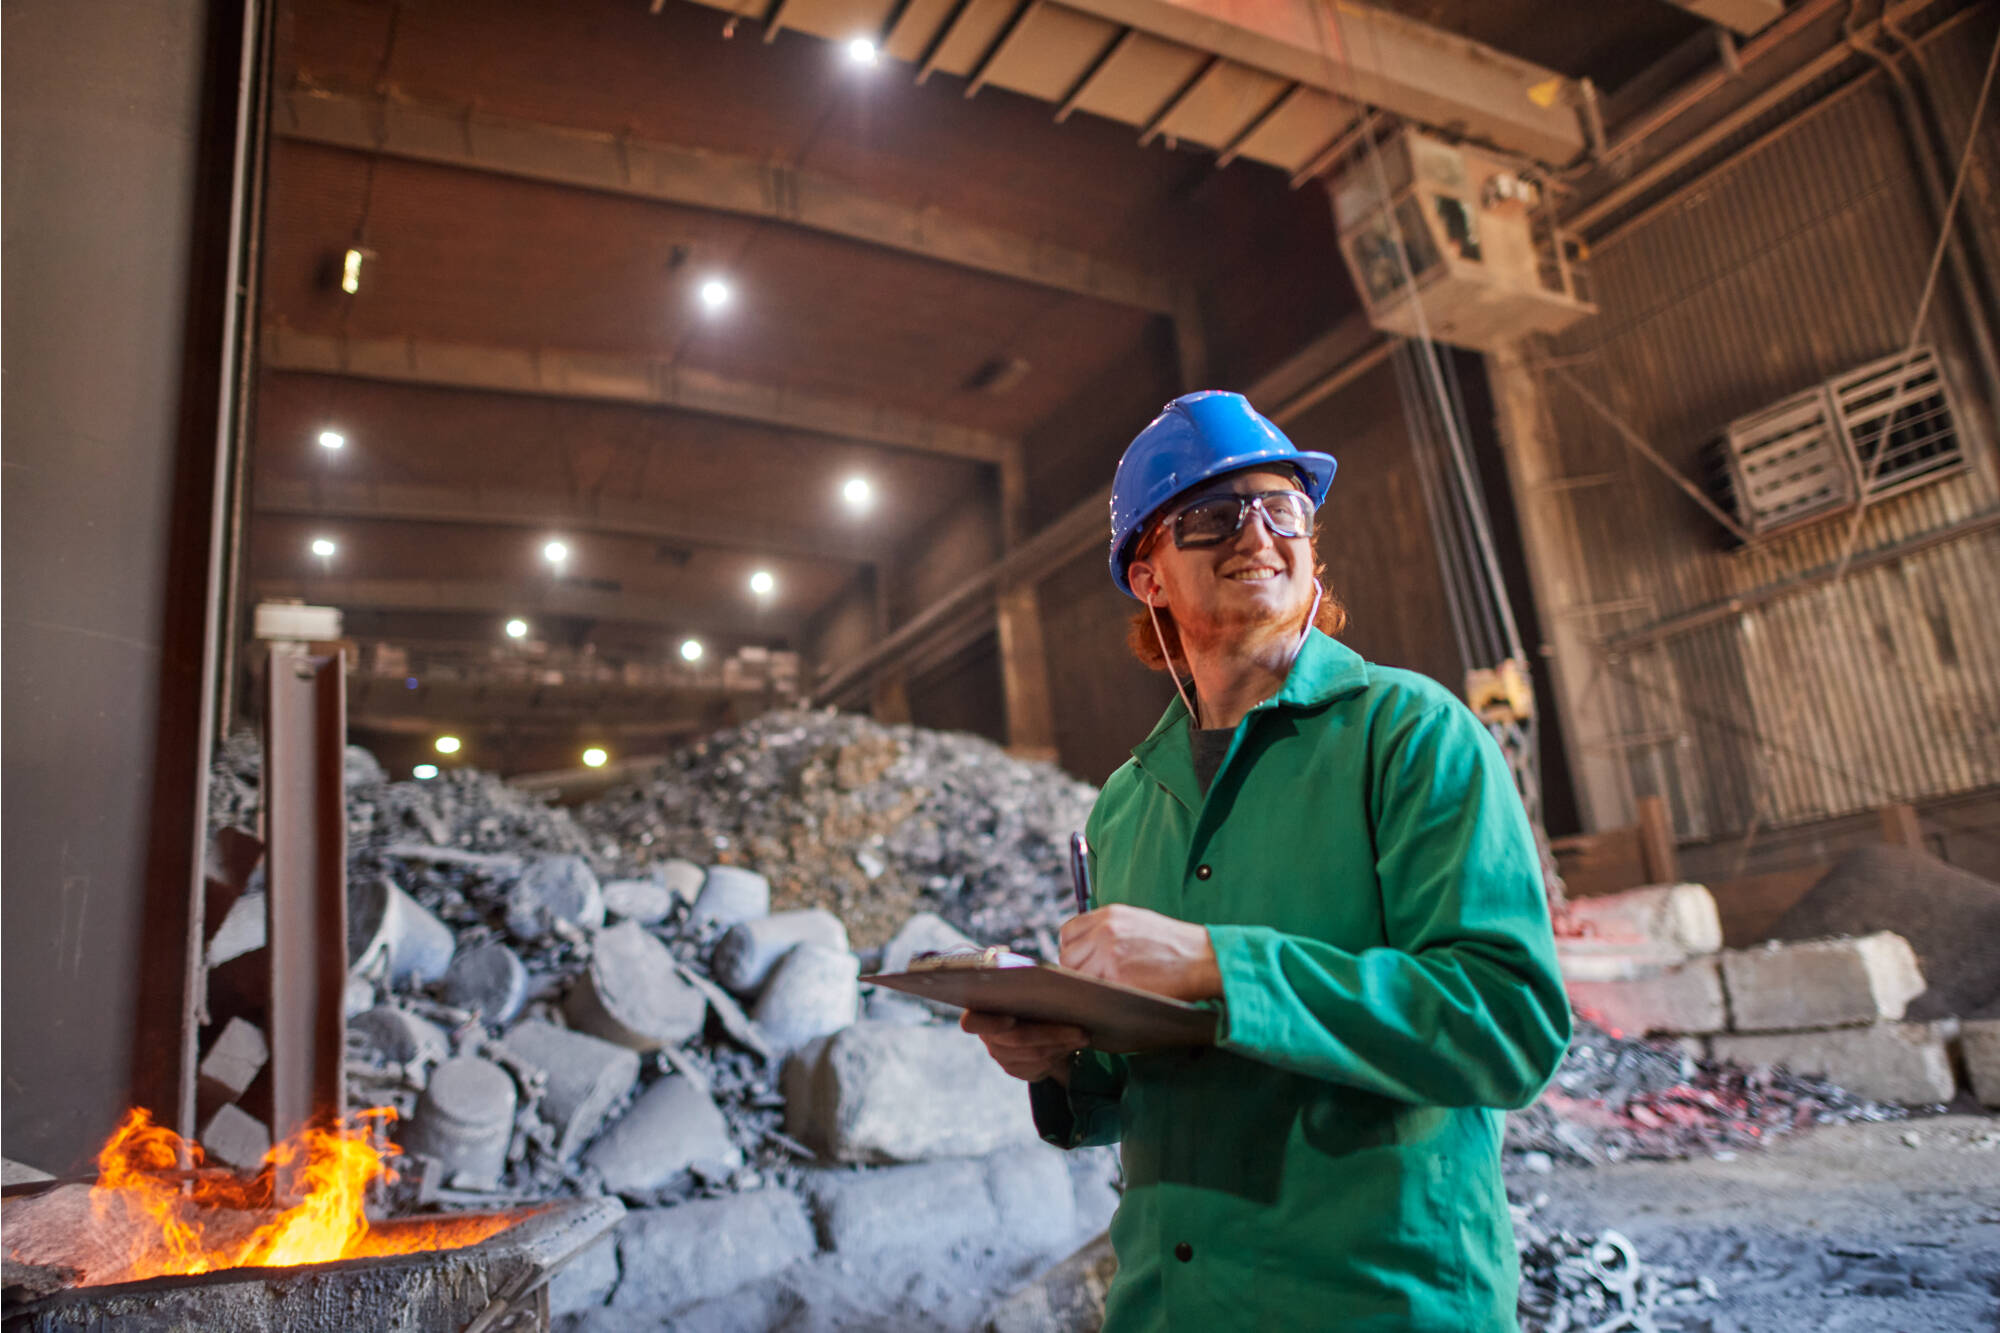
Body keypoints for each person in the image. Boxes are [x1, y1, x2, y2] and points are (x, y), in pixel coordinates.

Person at [962, 391, 1571, 1331]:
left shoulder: (1412, 736)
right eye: (1211, 515)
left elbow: (1507, 1023)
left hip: (1372, 1301)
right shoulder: (1130, 802)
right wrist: (1056, 1057)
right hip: (1174, 1305)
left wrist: (1217, 966)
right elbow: (1139, 1084)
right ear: (1148, 574)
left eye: (1282, 507)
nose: (1257, 532)